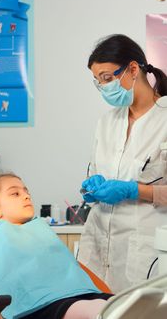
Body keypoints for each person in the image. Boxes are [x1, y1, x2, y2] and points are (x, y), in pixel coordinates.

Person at [77, 34, 167, 294]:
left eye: (107, 78)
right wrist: (90, 188)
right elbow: (95, 172)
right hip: (97, 248)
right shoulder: (107, 122)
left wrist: (134, 190)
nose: (104, 87)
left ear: (133, 69)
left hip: (145, 254)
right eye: (98, 82)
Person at [0, 173, 113, 319]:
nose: (26, 196)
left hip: (78, 293)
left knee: (117, 302)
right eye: (15, 193)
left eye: (27, 192)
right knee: (96, 308)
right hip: (38, 307)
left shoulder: (38, 229)